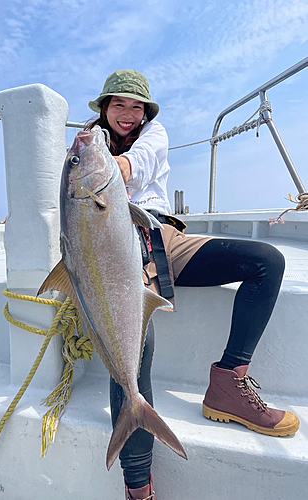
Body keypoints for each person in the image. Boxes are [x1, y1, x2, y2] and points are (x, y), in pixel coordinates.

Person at [87, 69, 300, 500]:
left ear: (146, 111)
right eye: (118, 104)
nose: (128, 114)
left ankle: (228, 383)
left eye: (136, 106)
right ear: (104, 107)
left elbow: (135, 165)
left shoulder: (151, 135)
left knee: (266, 261)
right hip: (115, 252)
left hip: (162, 238)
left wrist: (98, 170)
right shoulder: (88, 146)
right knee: (132, 351)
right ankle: (138, 485)